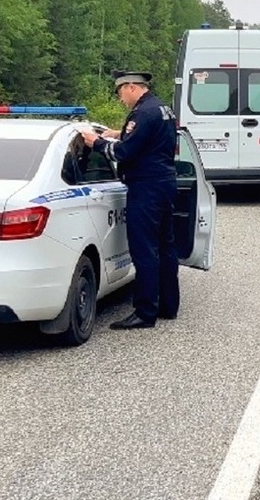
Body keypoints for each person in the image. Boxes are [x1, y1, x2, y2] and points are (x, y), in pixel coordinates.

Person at [81, 70, 178, 331]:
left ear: (132, 87)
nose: (120, 98)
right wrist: (119, 132)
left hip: (146, 187)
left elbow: (124, 153)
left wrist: (97, 142)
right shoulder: (162, 109)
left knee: (144, 248)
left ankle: (145, 312)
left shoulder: (142, 113)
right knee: (165, 246)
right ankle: (168, 305)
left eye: (121, 92)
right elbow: (149, 142)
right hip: (165, 183)